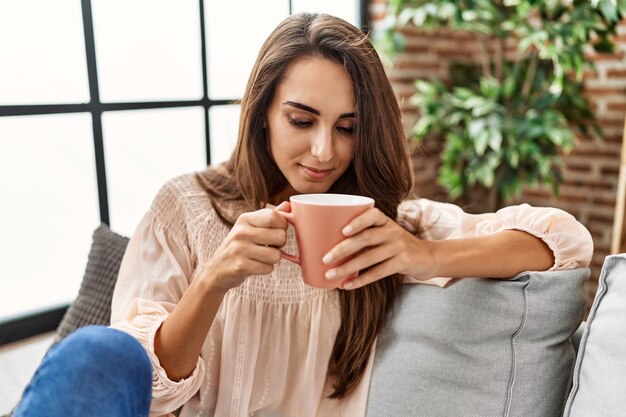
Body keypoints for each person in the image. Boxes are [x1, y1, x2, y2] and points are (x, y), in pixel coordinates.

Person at [14, 12, 593, 417]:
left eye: (348, 127)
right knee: (100, 353)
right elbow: (150, 390)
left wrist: (424, 253)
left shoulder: (383, 225)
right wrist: (215, 278)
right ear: (262, 112)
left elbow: (561, 242)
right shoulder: (186, 206)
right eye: (301, 119)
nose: (324, 152)